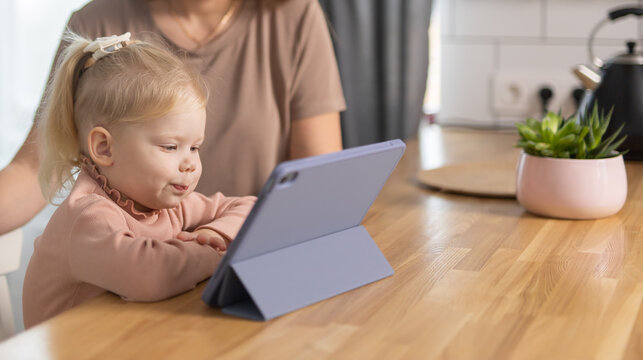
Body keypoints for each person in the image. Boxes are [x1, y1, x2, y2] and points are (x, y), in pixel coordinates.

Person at [0, 0, 345, 235]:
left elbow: (318, 181)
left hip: (249, 264)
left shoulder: (293, 14)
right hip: (128, 290)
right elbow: (34, 170)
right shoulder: (97, 24)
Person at [22, 32, 257, 328]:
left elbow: (252, 208)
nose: (190, 164)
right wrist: (214, 253)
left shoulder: (161, 202)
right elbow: (151, 274)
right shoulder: (87, 218)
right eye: (170, 147)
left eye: (194, 147)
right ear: (105, 148)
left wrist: (216, 232)